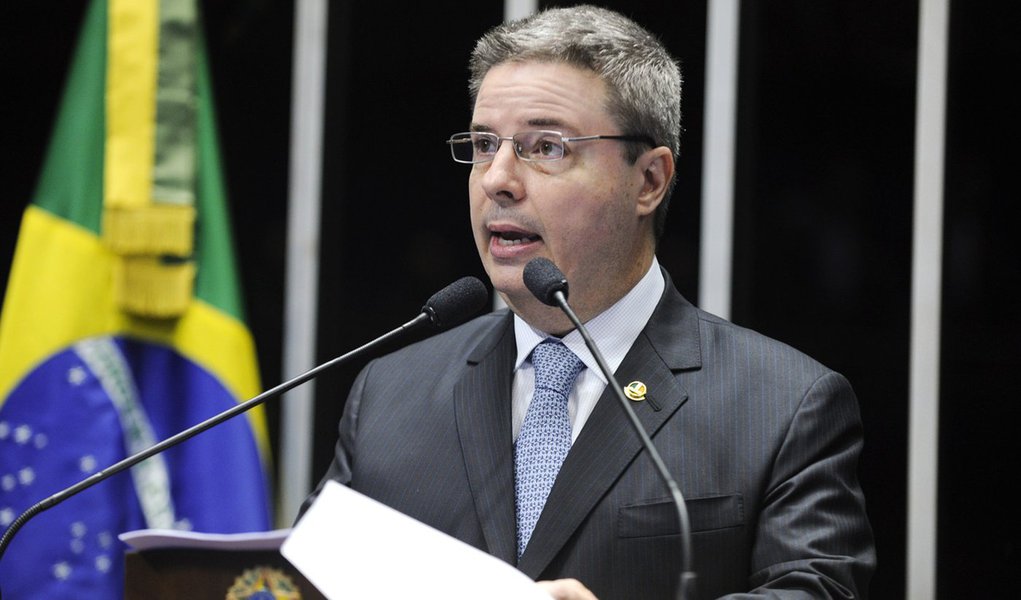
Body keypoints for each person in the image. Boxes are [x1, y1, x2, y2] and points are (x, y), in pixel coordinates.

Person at [303, 5, 875, 599]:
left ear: (648, 180)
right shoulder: (389, 394)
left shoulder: (784, 405)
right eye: (483, 144)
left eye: (545, 147)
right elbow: (303, 582)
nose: (497, 178)